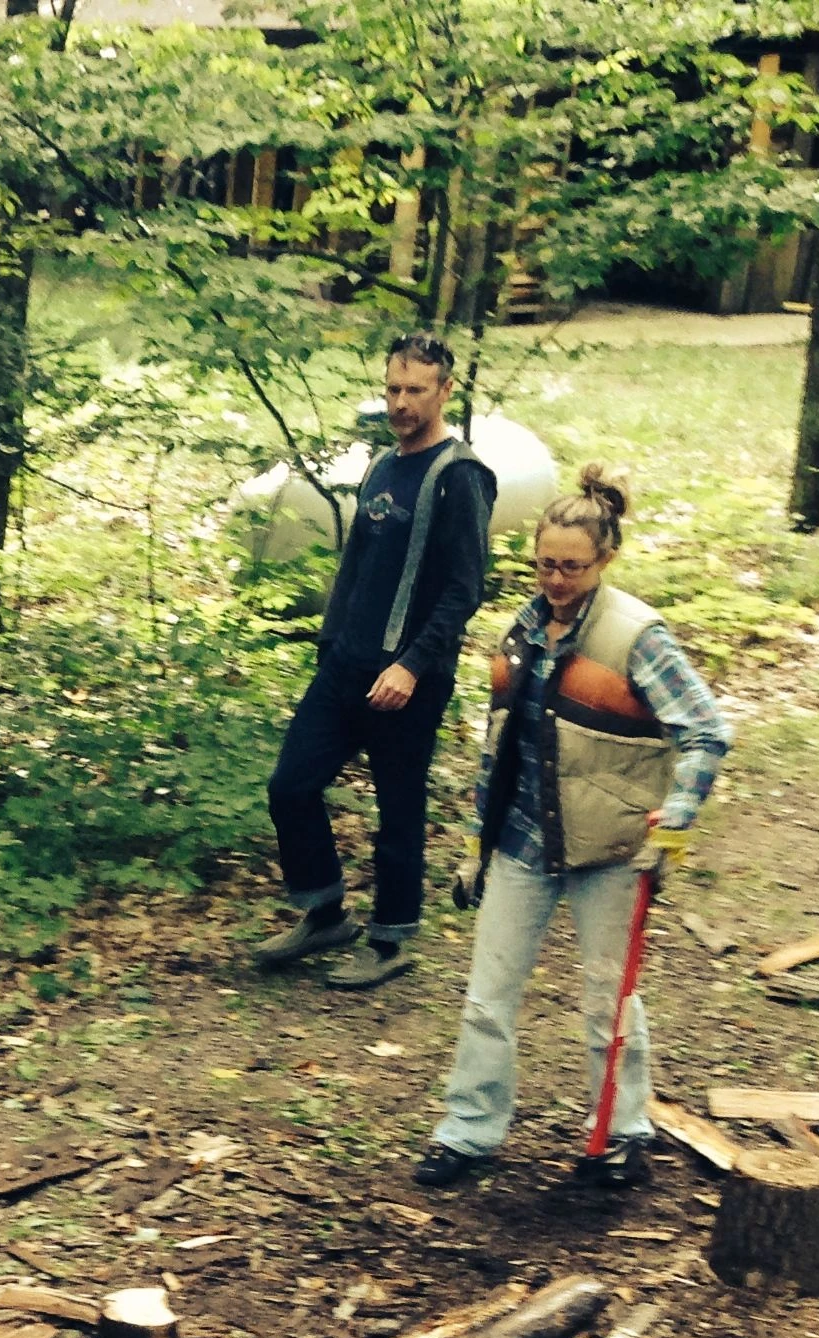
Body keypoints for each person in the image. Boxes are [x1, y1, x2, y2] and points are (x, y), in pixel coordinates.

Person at [414, 467, 731, 1193]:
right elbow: (499, 743)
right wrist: (474, 842)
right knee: (488, 996)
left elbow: (707, 733)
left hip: (612, 848)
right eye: (544, 564)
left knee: (605, 1001)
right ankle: (469, 1131)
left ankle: (619, 1136)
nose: (555, 579)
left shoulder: (636, 636)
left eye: (572, 566)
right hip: (524, 840)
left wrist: (675, 823)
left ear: (606, 559)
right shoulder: (521, 629)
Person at [256, 333, 501, 990]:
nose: (400, 402)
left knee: (397, 811)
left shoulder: (460, 476)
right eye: (393, 388)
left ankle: (391, 942)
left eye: (414, 391)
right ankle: (325, 914)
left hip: (409, 679)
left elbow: (464, 588)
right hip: (347, 667)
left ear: (444, 391)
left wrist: (413, 665)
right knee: (291, 786)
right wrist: (329, 649)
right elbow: (355, 566)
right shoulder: (383, 465)